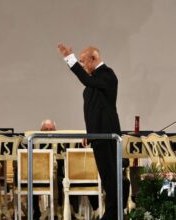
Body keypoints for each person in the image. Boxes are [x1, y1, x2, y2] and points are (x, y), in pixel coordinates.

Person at [58, 44, 121, 220]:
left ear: (94, 59)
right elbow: (95, 109)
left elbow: (87, 80)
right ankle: (113, 213)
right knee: (107, 177)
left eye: (84, 61)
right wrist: (89, 133)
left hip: (108, 135)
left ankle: (113, 214)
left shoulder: (107, 75)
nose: (83, 64)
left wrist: (69, 59)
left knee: (112, 177)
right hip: (97, 135)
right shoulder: (95, 81)